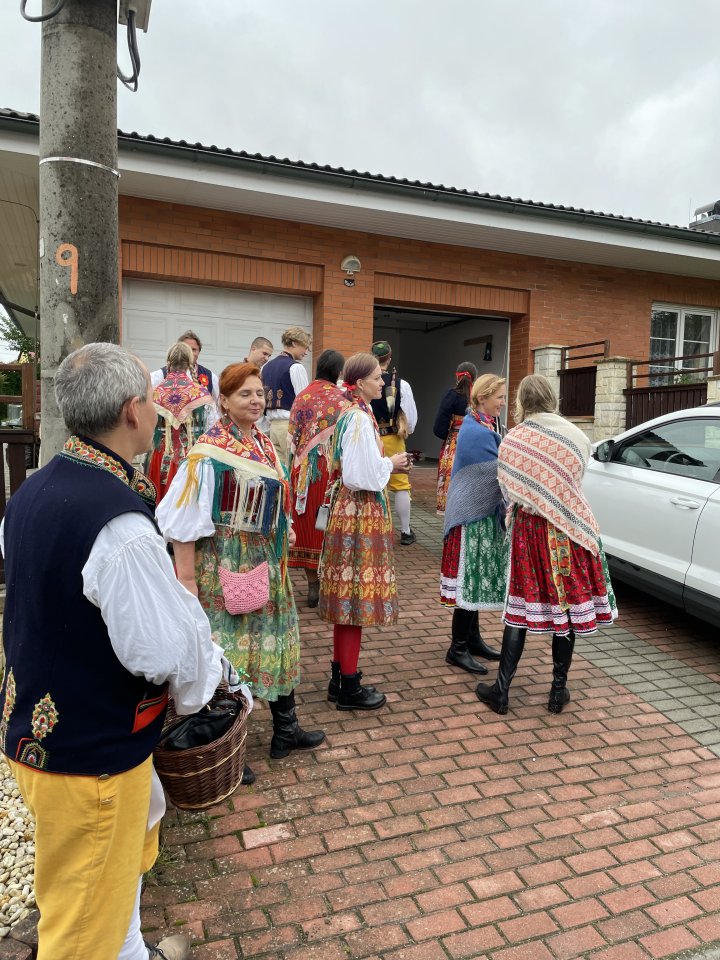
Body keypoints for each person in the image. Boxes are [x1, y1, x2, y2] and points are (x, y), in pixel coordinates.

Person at [0, 342, 228, 960]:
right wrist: (209, 682)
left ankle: (131, 950)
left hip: (39, 730)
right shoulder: (118, 524)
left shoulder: (31, 492)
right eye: (152, 401)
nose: (157, 411)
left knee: (107, 885)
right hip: (91, 753)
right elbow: (159, 651)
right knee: (81, 930)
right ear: (132, 411)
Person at [156, 362, 325, 764]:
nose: (255, 401)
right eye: (244, 394)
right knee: (228, 652)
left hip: (267, 562)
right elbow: (182, 524)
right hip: (225, 565)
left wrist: (285, 527)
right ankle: (229, 748)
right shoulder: (208, 454)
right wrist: (187, 582)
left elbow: (273, 495)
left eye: (259, 393)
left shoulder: (262, 442)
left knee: (277, 640)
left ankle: (286, 730)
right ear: (225, 401)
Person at [476, 374, 618, 716]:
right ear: (552, 398)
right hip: (569, 529)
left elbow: (508, 490)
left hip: (529, 531)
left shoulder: (513, 439)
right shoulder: (577, 436)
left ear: (522, 402)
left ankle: (502, 691)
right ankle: (557, 692)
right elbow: (574, 482)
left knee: (519, 605)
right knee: (565, 608)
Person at [318, 352, 411, 710]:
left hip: (355, 510)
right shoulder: (357, 417)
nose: (382, 381)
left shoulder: (357, 412)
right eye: (376, 377)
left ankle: (340, 679)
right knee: (353, 600)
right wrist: (391, 463)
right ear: (360, 383)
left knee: (349, 599)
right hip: (359, 511)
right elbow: (359, 476)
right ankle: (348, 687)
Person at [440, 374, 507, 674]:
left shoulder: (485, 425)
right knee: (468, 580)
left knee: (474, 578)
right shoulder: (476, 431)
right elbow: (493, 475)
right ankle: (457, 649)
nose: (503, 402)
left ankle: (473, 639)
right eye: (499, 397)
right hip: (470, 516)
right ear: (482, 398)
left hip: (480, 515)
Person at [287, 349, 348, 608]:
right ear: (338, 372)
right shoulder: (343, 398)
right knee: (330, 525)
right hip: (329, 468)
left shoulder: (303, 396)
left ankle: (313, 583)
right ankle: (329, 583)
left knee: (307, 526)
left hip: (303, 470)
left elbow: (292, 439)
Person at [146, 341, 218, 502]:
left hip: (162, 452)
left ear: (169, 362)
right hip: (190, 453)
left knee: (161, 499)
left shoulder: (155, 392)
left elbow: (147, 424)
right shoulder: (200, 393)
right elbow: (212, 426)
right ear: (190, 362)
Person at [369, 341, 418, 545]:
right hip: (393, 437)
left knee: (373, 483)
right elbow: (411, 418)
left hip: (370, 436)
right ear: (389, 359)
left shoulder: (364, 381)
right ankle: (405, 531)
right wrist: (405, 430)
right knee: (400, 485)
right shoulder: (401, 384)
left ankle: (375, 530)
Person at [261, 327, 312, 464]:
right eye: (305, 346)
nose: (306, 351)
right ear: (294, 343)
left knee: (278, 469)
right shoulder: (296, 367)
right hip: (290, 427)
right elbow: (304, 402)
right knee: (294, 468)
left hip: (272, 427)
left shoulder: (266, 367)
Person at [434, 362, 477, 515]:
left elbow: (439, 428)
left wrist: (448, 435)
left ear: (457, 377)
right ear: (474, 378)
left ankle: (450, 510)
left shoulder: (451, 395)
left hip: (454, 443)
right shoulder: (478, 397)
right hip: (474, 442)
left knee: (451, 477)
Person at [151, 330, 219, 403]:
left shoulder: (210, 376)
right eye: (187, 349)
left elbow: (219, 404)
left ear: (199, 351)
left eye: (194, 349)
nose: (190, 352)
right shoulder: (159, 375)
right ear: (178, 350)